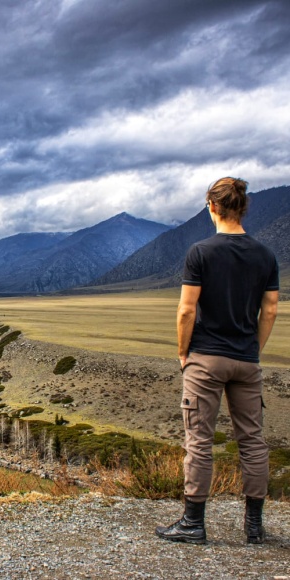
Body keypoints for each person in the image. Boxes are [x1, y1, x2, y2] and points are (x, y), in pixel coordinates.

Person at [155, 177, 279, 545]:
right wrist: (252, 348)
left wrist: (182, 352)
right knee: (253, 441)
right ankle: (254, 526)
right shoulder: (265, 255)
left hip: (206, 358)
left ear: (212, 207)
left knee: (199, 440)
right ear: (243, 208)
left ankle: (194, 523)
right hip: (246, 360)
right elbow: (270, 309)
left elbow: (186, 309)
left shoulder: (201, 252)